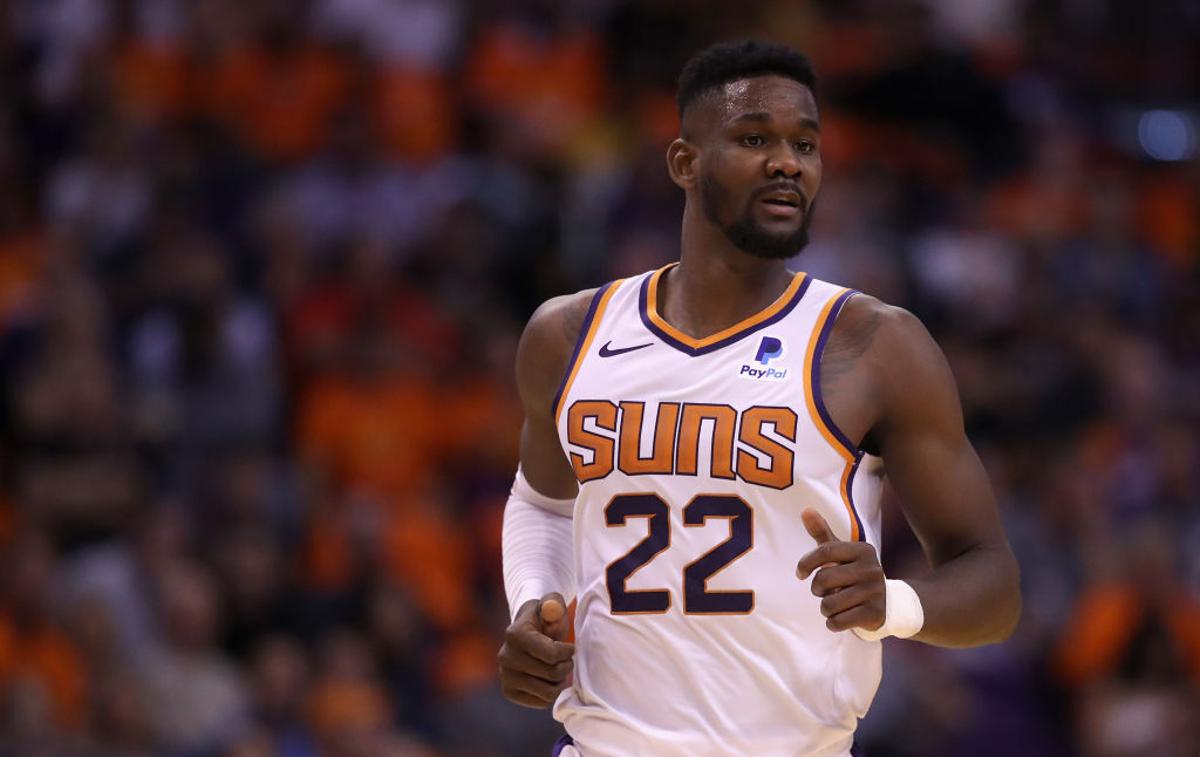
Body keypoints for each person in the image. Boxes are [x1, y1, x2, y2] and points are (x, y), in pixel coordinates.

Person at [497, 40, 1021, 756]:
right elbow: (541, 504)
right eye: (754, 139)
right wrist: (533, 602)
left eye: (806, 144)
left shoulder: (873, 344)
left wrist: (893, 603)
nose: (788, 162)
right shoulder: (568, 333)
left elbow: (993, 582)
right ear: (685, 163)